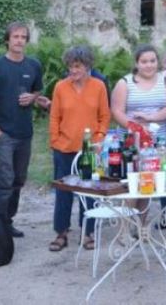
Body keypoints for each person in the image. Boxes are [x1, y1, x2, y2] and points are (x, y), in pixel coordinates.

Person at [0, 21, 44, 238]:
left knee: (18, 179)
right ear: (7, 40)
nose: (19, 41)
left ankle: (7, 221)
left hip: (25, 133)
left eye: (23, 37)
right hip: (4, 133)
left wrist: (33, 97)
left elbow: (38, 91)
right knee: (4, 180)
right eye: (15, 37)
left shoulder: (34, 65)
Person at [50, 46, 110, 253]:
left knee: (88, 190)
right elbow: (54, 117)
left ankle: (88, 232)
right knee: (63, 191)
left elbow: (104, 117)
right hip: (64, 147)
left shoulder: (99, 86)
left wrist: (100, 138)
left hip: (89, 149)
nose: (72, 71)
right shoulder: (60, 87)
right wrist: (55, 141)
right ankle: (61, 231)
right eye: (70, 66)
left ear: (87, 66)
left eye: (77, 66)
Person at [111, 44, 166, 218]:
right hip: (132, 143)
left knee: (149, 183)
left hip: (159, 143)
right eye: (144, 62)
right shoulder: (125, 83)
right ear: (136, 63)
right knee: (133, 184)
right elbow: (117, 111)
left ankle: (142, 228)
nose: (149, 65)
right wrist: (137, 127)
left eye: (152, 61)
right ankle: (125, 228)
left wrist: (151, 118)